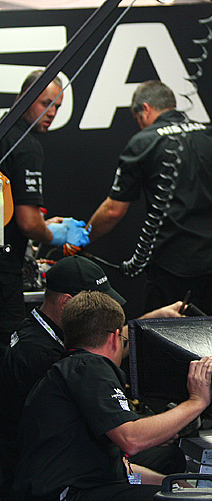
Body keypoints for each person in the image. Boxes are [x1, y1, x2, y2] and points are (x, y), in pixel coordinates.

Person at [0, 255, 186, 500]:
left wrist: (152, 319)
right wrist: (195, 402)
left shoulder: (42, 331)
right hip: (44, 472)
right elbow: (127, 438)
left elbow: (104, 342)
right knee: (158, 462)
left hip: (60, 456)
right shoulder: (41, 356)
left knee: (166, 456)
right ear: (67, 303)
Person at [83, 80, 212, 315]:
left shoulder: (142, 142)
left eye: (138, 119)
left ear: (145, 109)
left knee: (165, 342)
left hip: (170, 267)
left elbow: (113, 210)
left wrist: (83, 238)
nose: (140, 126)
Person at [0, 70, 89, 353]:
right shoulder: (25, 146)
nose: (52, 113)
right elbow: (27, 223)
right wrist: (55, 234)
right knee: (11, 353)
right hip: (4, 272)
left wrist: (43, 223)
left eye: (58, 107)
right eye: (45, 103)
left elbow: (12, 213)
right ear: (25, 98)